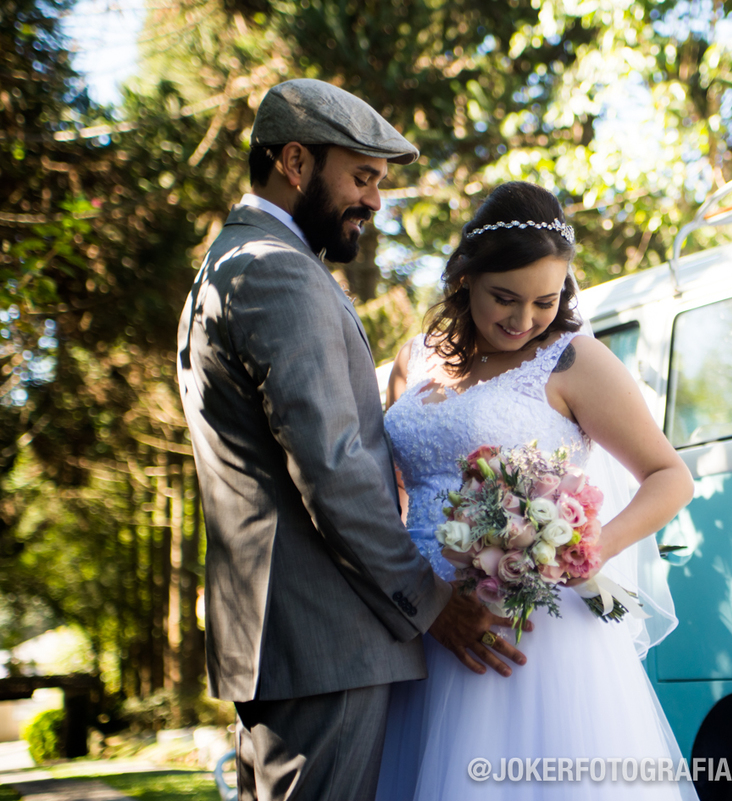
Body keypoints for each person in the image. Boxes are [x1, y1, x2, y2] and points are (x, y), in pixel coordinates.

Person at [176, 79, 525, 801]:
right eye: (362, 177)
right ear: (295, 162)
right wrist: (431, 602)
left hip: (290, 641)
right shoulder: (277, 271)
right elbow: (332, 467)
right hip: (325, 640)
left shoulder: (234, 262)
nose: (375, 200)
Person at [376, 181, 698, 799]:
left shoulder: (574, 361)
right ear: (465, 278)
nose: (523, 320)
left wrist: (584, 550)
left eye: (544, 302)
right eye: (505, 298)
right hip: (423, 624)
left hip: (528, 637)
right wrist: (418, 601)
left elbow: (670, 476)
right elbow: (393, 495)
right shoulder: (411, 361)